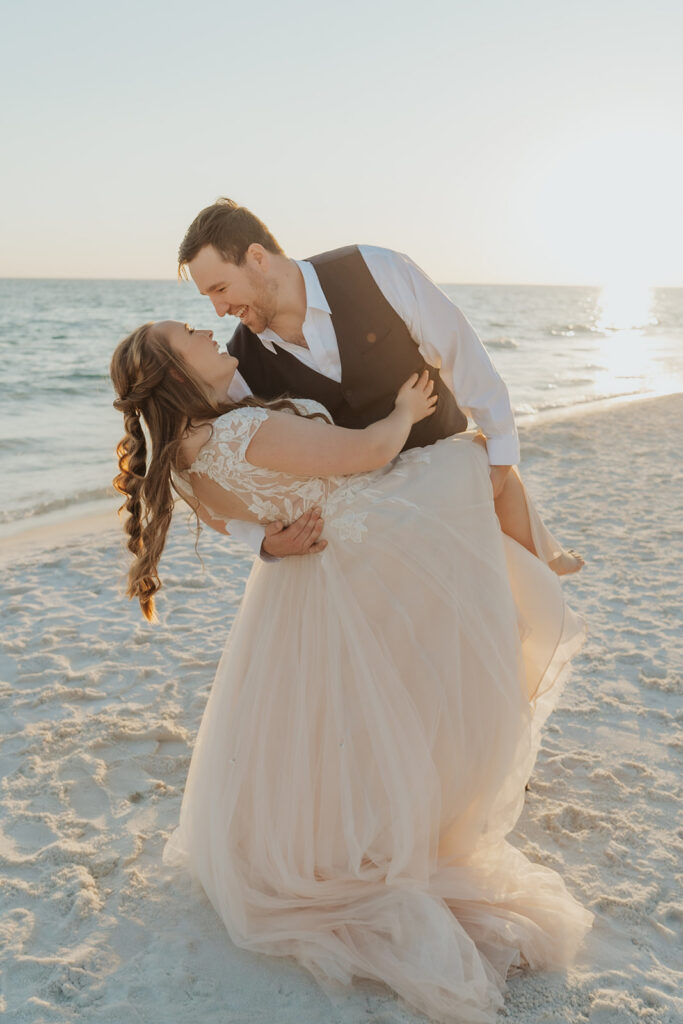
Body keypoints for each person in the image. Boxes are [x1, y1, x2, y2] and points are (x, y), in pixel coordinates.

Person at [109, 319, 592, 1024]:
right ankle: (542, 565)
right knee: (474, 458)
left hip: (308, 571)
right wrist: (404, 410)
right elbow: (368, 453)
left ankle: (535, 563)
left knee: (349, 708)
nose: (203, 329)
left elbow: (219, 521)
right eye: (186, 334)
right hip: (369, 531)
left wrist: (266, 542)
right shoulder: (243, 434)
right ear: (173, 370)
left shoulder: (182, 457)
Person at [177, 197, 584, 575]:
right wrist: (262, 541)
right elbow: (212, 470)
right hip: (374, 536)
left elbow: (462, 353)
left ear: (257, 258)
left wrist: (500, 458)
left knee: (516, 600)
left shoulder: (375, 269)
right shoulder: (240, 365)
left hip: (447, 472)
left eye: (221, 289)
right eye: (208, 295)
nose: (219, 309)